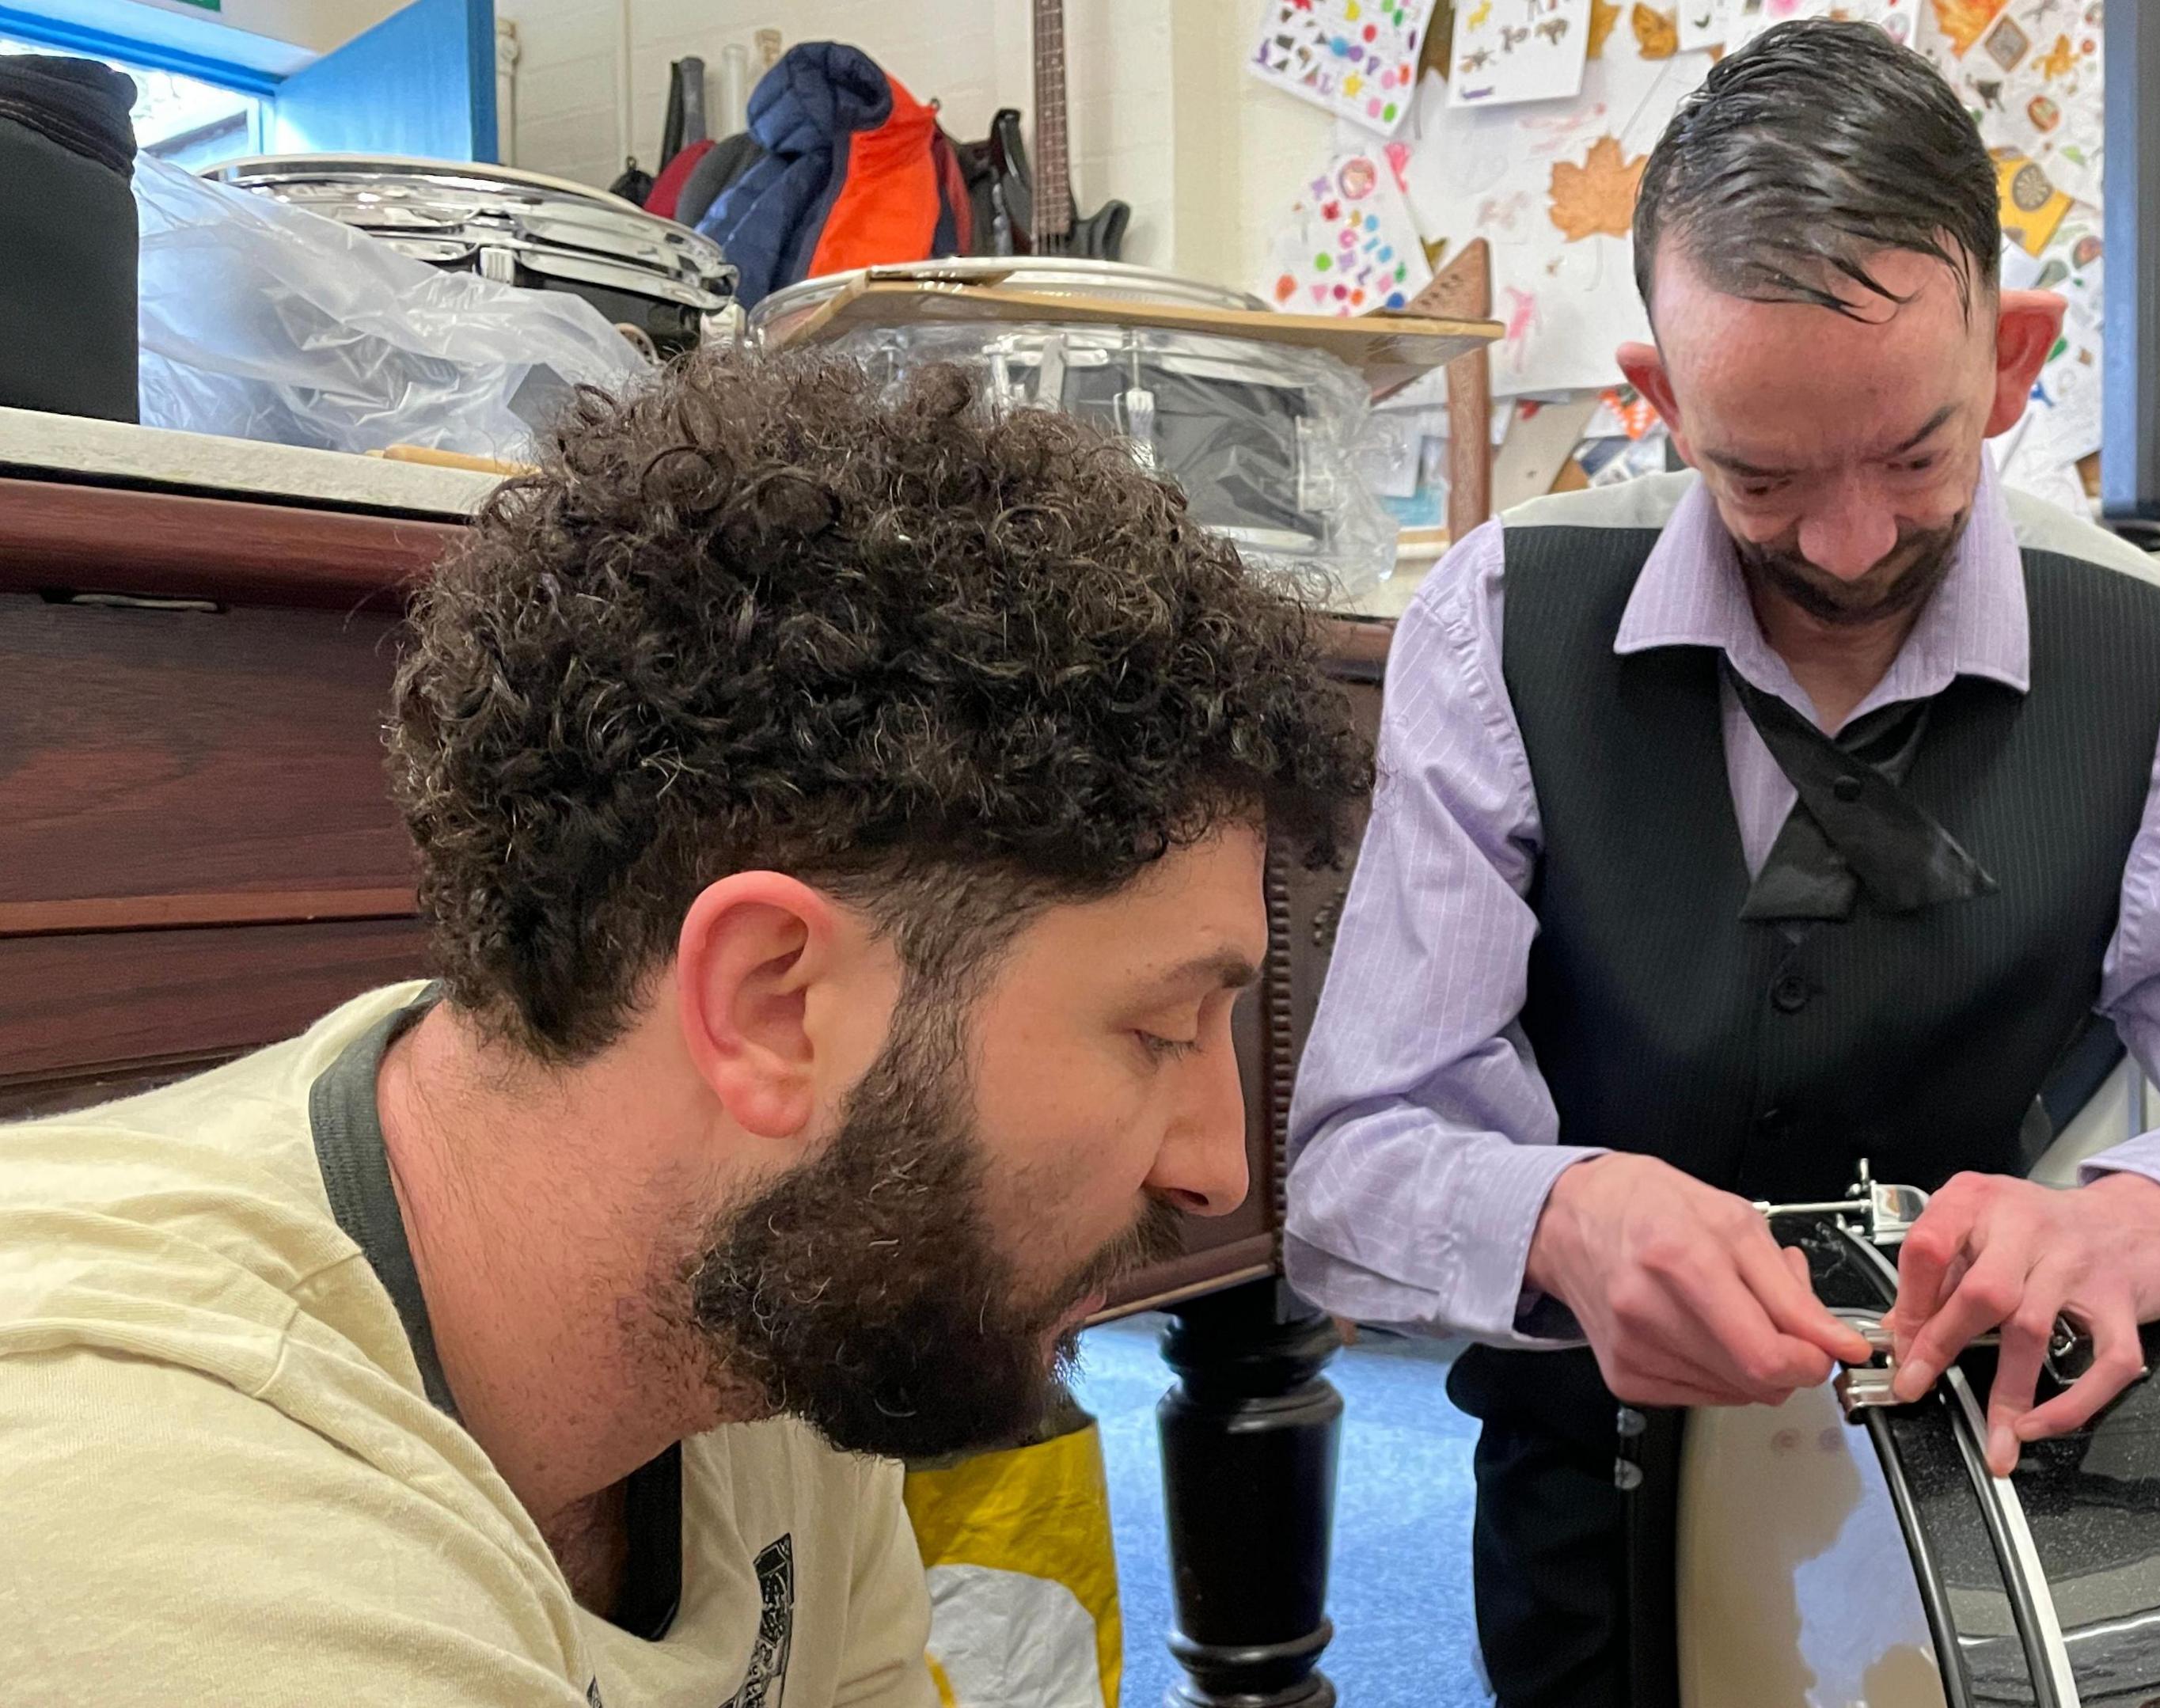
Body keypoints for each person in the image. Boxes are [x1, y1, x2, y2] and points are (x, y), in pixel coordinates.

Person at [1282, 21, 2160, 1706]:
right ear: (1657, 402)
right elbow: (1349, 1165)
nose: (1843, 545)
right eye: (1757, 473)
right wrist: (1558, 1210)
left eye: (1915, 457)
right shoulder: (1498, 625)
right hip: (1582, 1530)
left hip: (1992, 1561)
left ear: (2015, 361)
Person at [0, 351, 1369, 1706]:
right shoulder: (186, 1541)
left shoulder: (780, 1274)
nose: (1216, 1167)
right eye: (1164, 1026)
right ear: (769, 1004)